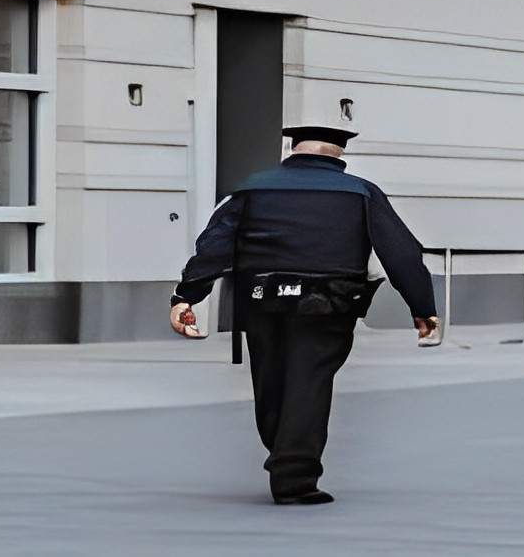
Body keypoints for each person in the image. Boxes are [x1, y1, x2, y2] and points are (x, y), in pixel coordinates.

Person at [169, 125, 440, 505]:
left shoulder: (250, 188)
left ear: (291, 151)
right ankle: (293, 475)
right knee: (308, 380)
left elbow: (214, 243)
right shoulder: (361, 192)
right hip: (327, 302)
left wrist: (186, 296)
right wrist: (422, 307)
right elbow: (401, 252)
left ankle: (283, 453)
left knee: (270, 379)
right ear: (338, 157)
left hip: (261, 297)